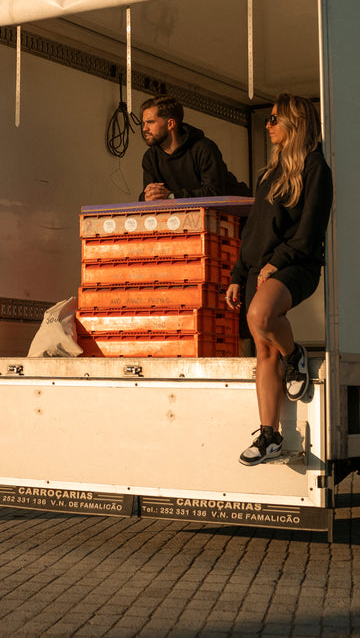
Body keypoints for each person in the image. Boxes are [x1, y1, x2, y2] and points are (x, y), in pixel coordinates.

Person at [226, 93, 334, 466]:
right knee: (262, 349)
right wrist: (240, 274)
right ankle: (270, 435)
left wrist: (276, 263)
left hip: (297, 265)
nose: (268, 125)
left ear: (296, 123)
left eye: (275, 119)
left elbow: (310, 232)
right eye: (268, 119)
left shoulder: (316, 168)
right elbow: (254, 232)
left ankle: (296, 354)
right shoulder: (268, 174)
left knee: (260, 316)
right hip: (263, 267)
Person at [138, 96, 250, 201]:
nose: (144, 128)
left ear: (170, 124)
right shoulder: (150, 157)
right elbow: (148, 196)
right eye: (144, 123)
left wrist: (172, 196)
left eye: (150, 122)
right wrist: (148, 196)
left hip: (238, 213)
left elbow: (214, 193)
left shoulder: (204, 148)